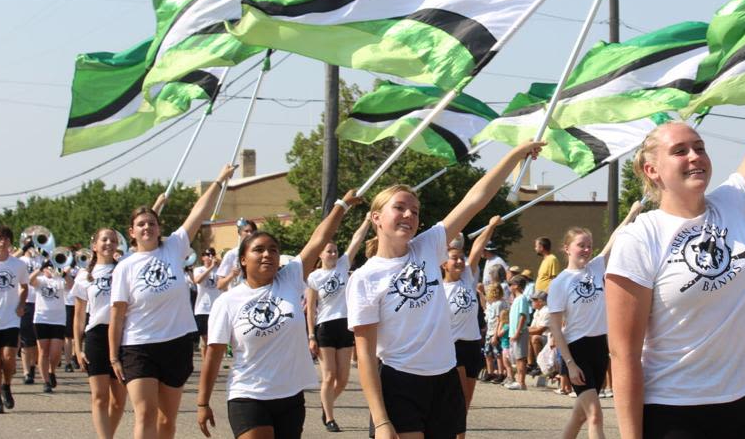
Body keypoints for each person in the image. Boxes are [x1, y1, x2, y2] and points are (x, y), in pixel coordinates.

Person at [606, 65, 745, 439]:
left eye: (700, 147)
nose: (695, 156)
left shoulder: (733, 204)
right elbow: (623, 352)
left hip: (736, 407)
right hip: (670, 413)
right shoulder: (640, 237)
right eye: (680, 151)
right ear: (652, 170)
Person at [348, 141, 543, 439]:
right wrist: (382, 420)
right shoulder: (364, 278)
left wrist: (515, 155)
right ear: (376, 218)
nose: (409, 216)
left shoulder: (427, 246)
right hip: (400, 383)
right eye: (399, 208)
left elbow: (474, 199)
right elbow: (365, 356)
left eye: (414, 211)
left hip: (445, 378)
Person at [196, 190, 359, 439]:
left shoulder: (290, 279)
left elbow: (320, 238)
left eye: (273, 250)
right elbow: (213, 354)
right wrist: (202, 403)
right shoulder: (227, 302)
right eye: (259, 250)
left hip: (290, 395)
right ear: (242, 260)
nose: (267, 255)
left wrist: (342, 205)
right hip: (248, 395)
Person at [109, 163, 235, 439]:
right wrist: (113, 355)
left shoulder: (174, 246)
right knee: (145, 415)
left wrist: (219, 179)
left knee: (167, 420)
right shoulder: (125, 268)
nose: (147, 228)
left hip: (175, 344)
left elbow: (198, 213)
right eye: (141, 224)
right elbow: (117, 315)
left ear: (159, 228)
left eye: (151, 223)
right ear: (131, 232)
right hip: (137, 347)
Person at [547, 213, 638, 439]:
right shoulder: (560, 283)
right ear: (567, 248)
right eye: (581, 245)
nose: (586, 250)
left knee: (580, 416)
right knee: (595, 415)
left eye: (589, 245)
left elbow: (614, 240)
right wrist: (569, 364)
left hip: (599, 348)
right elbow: (556, 328)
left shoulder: (596, 268)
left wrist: (632, 213)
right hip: (576, 350)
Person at [306, 214, 371, 433]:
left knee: (343, 378)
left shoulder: (343, 265)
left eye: (335, 250)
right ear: (321, 255)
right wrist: (311, 335)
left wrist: (367, 221)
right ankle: (331, 418)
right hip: (325, 328)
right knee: (330, 375)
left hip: (345, 325)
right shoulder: (314, 277)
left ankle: (326, 406)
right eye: (329, 251)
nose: (333, 254)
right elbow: (311, 309)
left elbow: (356, 240)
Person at [441, 215, 502, 430]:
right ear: (444, 263)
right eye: (454, 258)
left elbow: (478, 246)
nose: (459, 261)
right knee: (456, 402)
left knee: (465, 405)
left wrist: (491, 226)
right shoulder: (439, 289)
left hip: (472, 345)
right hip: (451, 347)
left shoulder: (468, 277)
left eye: (461, 258)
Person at [73, 227, 127, 438]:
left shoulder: (123, 270)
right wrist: (77, 349)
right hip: (96, 336)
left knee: (119, 400)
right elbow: (78, 316)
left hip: (121, 336)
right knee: (100, 396)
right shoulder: (84, 276)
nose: (109, 243)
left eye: (113, 240)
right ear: (94, 246)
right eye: (104, 240)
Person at [0, 226, 28, 414]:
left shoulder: (18, 265)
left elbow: (24, 287)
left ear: (10, 243)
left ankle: (6, 385)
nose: (3, 242)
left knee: (9, 357)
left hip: (11, 317)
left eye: (6, 239)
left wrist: (21, 304)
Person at [28, 262, 68, 393]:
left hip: (58, 319)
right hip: (41, 318)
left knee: (55, 353)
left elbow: (71, 285)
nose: (49, 270)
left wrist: (62, 272)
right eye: (48, 268)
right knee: (43, 351)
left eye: (51, 267)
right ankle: (45, 381)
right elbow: (29, 280)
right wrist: (40, 268)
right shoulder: (40, 280)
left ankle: (52, 371)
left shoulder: (60, 280)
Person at [505, 275, 533, 390]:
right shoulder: (516, 299)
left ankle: (521, 382)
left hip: (520, 332)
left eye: (510, 285)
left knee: (521, 357)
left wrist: (517, 332)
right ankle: (518, 380)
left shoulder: (522, 298)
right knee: (517, 357)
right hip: (514, 332)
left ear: (516, 286)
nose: (509, 287)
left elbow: (522, 316)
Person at [18, 246, 40, 385]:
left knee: (37, 339)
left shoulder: (42, 260)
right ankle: (26, 372)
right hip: (25, 301)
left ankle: (32, 366)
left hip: (41, 303)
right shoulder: (20, 260)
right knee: (26, 339)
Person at [191, 248, 221, 350]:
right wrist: (211, 267)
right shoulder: (199, 269)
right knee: (205, 339)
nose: (210, 256)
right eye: (208, 254)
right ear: (203, 257)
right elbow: (197, 280)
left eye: (212, 254)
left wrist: (219, 265)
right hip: (202, 308)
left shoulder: (219, 270)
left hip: (216, 308)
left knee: (214, 339)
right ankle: (205, 364)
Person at [216, 218, 257, 291]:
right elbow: (220, 285)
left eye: (252, 231)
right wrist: (231, 275)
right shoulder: (232, 254)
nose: (250, 234)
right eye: (246, 231)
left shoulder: (259, 253)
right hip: (236, 298)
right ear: (240, 233)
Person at [483, 283, 506, 384]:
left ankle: (501, 373)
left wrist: (495, 335)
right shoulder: (492, 304)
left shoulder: (499, 304)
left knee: (497, 353)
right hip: (489, 331)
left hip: (495, 332)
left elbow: (499, 320)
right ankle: (490, 372)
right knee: (487, 353)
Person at [529, 291, 550, 370]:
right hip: (542, 336)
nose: (532, 302)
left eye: (534, 300)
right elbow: (533, 327)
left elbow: (540, 330)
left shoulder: (547, 311)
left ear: (541, 302)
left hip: (549, 338)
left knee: (535, 338)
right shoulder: (537, 311)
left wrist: (523, 331)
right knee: (528, 336)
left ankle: (540, 365)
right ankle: (530, 364)